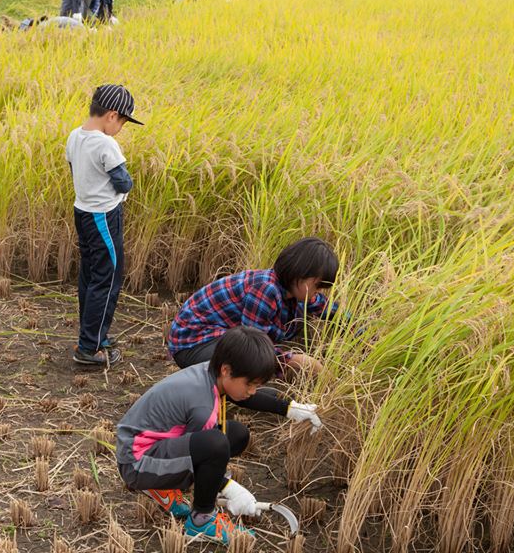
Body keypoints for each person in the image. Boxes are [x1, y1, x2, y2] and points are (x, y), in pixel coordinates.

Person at [117, 326, 320, 543]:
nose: (252, 390)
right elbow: (198, 457)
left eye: (256, 385)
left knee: (237, 434)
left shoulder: (209, 373)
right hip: (137, 463)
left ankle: (164, 486)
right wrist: (230, 489)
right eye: (250, 384)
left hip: (152, 448)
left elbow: (248, 397)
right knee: (215, 444)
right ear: (226, 370)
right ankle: (201, 521)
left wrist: (290, 408)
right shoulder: (201, 407)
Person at [169, 236, 340, 381]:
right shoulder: (265, 290)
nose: (318, 292)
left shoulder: (295, 290)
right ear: (299, 275)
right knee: (249, 367)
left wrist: (357, 325)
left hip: (217, 339)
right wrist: (296, 360)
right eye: (317, 286)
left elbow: (326, 307)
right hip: (193, 344)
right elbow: (253, 348)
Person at [66, 84, 142, 367]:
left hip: (82, 211)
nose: (121, 128)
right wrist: (126, 186)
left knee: (90, 275)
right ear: (112, 115)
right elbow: (123, 181)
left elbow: (75, 169)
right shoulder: (106, 143)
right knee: (107, 279)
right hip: (104, 217)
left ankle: (94, 335)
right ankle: (89, 346)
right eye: (123, 121)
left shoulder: (75, 136)